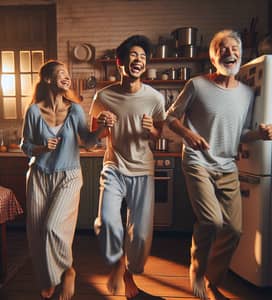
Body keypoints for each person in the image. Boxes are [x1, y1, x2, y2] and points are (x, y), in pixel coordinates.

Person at [166, 29, 272, 300]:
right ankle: (197, 269)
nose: (229, 53)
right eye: (222, 49)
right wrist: (189, 135)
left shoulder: (248, 93)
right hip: (197, 162)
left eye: (233, 49)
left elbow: (242, 133)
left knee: (234, 229)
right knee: (212, 220)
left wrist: (259, 134)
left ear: (240, 54)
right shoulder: (196, 85)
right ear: (213, 58)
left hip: (227, 165)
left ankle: (213, 278)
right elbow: (170, 118)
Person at [90, 35, 165, 299]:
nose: (139, 60)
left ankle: (129, 274)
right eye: (134, 55)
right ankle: (116, 266)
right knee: (107, 222)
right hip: (114, 167)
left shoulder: (155, 98)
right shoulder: (103, 95)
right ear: (120, 62)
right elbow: (92, 137)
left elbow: (160, 134)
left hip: (143, 170)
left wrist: (152, 129)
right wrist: (102, 125)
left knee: (141, 236)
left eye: (143, 57)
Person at [21, 60, 101, 300]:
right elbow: (25, 146)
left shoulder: (75, 109)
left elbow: (87, 141)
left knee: (52, 227)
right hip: (38, 176)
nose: (67, 77)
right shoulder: (34, 111)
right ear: (47, 79)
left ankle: (67, 271)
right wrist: (41, 148)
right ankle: (48, 280)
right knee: (36, 234)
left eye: (67, 73)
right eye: (61, 73)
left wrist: (101, 130)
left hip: (69, 176)